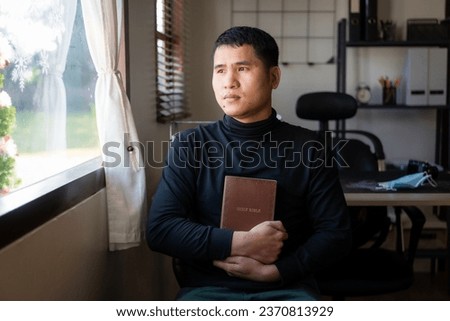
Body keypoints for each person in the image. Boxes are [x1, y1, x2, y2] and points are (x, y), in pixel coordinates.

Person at [146, 26, 351, 301]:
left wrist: (276, 272)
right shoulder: (190, 145)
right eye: (220, 70)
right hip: (208, 290)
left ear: (274, 77)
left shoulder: (310, 148)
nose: (229, 81)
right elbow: (161, 229)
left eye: (242, 68)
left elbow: (336, 234)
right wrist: (242, 242)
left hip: (287, 289)